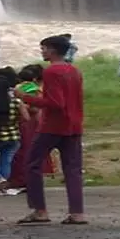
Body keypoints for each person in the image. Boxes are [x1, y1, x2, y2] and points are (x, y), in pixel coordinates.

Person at [17, 35, 86, 225]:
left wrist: (25, 97)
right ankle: (77, 213)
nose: (42, 51)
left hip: (53, 126)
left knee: (32, 164)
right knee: (73, 169)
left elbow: (55, 103)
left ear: (53, 50)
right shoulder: (74, 70)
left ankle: (40, 210)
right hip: (74, 125)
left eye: (44, 48)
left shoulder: (51, 72)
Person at [8, 64, 53, 192]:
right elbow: (37, 108)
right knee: (30, 150)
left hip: (22, 122)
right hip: (32, 123)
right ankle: (29, 179)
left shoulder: (17, 89)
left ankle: (20, 179)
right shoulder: (37, 89)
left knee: (22, 151)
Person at [0, 68, 25, 195]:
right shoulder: (17, 102)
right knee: (6, 162)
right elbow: (26, 117)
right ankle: (2, 186)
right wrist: (15, 120)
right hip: (13, 137)